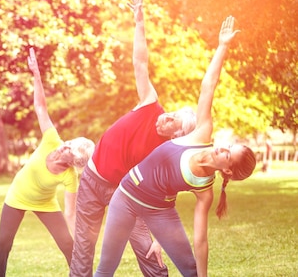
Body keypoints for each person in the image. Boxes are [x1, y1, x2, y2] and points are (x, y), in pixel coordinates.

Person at [94, 15, 256, 277]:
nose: (222, 149)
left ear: (227, 171)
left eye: (228, 154)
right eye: (229, 146)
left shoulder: (205, 190)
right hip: (125, 197)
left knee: (191, 271)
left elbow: (200, 241)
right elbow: (208, 86)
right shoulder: (202, 133)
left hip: (159, 211)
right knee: (106, 268)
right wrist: (223, 46)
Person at [70, 0, 197, 277]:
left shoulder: (165, 154)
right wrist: (139, 21)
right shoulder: (151, 102)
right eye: (172, 114)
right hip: (92, 179)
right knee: (83, 249)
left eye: (173, 123)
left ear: (177, 134)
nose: (167, 118)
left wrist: (162, 240)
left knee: (146, 249)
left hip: (125, 194)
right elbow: (140, 62)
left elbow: (164, 203)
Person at [0, 47, 95, 277]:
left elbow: (70, 212)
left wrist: (80, 238)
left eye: (69, 148)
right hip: (17, 196)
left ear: (73, 160)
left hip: (45, 204)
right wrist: (36, 75)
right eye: (68, 142)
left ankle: (82, 274)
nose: (64, 145)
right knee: (4, 244)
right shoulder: (51, 139)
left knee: (67, 244)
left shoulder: (70, 176)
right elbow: (40, 108)